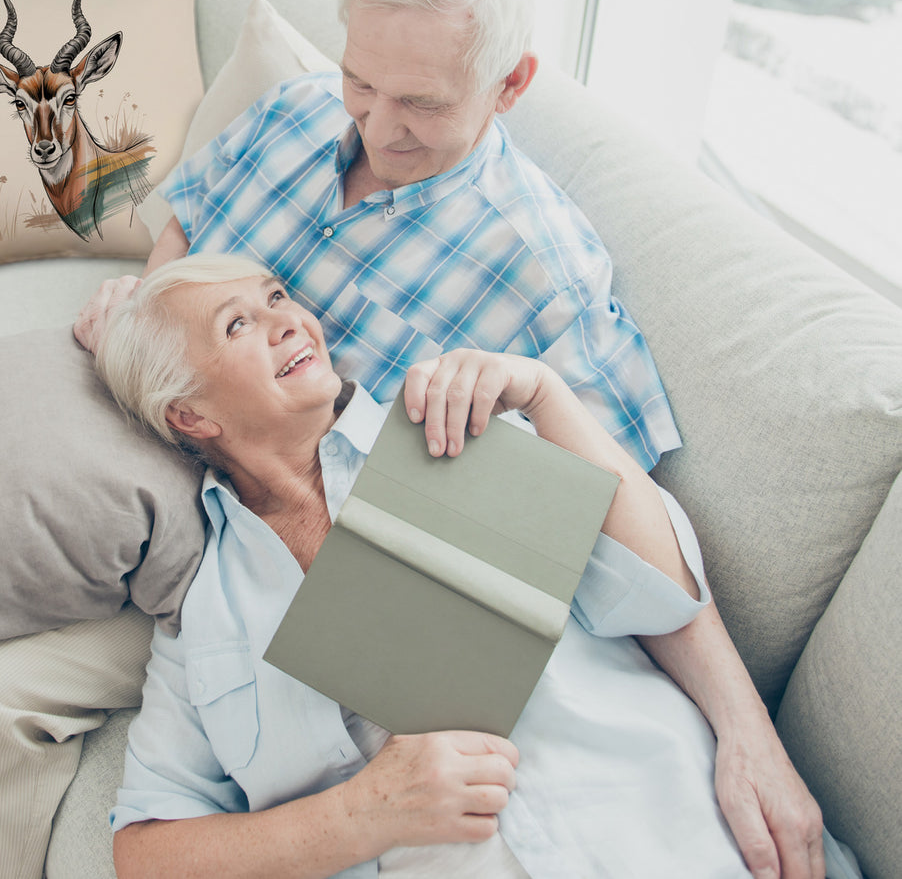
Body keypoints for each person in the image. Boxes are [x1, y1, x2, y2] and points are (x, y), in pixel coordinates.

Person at [0, 0, 820, 879]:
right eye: (363, 81)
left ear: (508, 85)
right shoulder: (296, 112)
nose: (375, 123)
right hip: (175, 411)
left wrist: (746, 729)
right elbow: (185, 229)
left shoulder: (542, 273)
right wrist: (146, 308)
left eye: (420, 103)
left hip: (266, 517)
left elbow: (615, 521)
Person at [95, 253, 849, 879]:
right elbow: (146, 853)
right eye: (239, 324)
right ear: (190, 415)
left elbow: (661, 594)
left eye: (277, 297)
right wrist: (362, 814)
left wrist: (547, 396)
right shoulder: (204, 616)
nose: (289, 319)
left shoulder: (450, 426)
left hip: (673, 833)